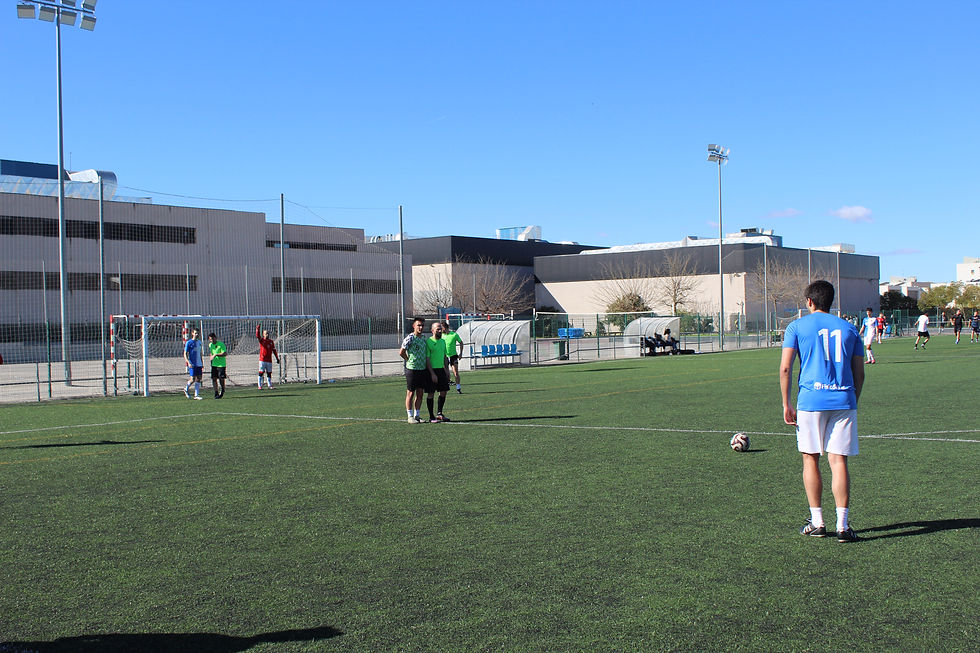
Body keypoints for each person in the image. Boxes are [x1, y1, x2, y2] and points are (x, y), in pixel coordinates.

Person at [780, 280, 864, 543]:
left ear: (809, 302)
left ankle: (818, 522)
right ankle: (842, 525)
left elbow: (785, 368)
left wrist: (786, 404)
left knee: (810, 459)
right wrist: (852, 400)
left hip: (811, 401)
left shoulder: (796, 326)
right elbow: (859, 373)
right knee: (838, 461)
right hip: (843, 400)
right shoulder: (850, 329)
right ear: (831, 301)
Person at [399, 317, 428, 424]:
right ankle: (409, 416)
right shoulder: (410, 338)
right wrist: (408, 360)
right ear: (414, 326)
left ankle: (417, 415)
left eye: (422, 325)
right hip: (412, 369)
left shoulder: (424, 338)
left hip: (422, 369)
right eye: (419, 325)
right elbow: (401, 352)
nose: (421, 327)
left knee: (420, 393)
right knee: (410, 393)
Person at [424, 321, 452, 422]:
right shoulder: (428, 342)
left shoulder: (443, 341)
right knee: (431, 393)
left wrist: (447, 371)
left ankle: (439, 413)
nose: (440, 330)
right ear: (432, 331)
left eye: (441, 329)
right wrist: (432, 374)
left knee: (443, 392)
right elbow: (427, 359)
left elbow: (445, 357)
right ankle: (431, 416)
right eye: (438, 329)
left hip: (441, 370)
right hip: (431, 370)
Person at [441, 321, 464, 393]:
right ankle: (446, 387)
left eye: (441, 328)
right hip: (444, 356)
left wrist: (460, 353)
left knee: (456, 373)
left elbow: (461, 342)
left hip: (453, 356)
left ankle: (458, 388)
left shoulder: (454, 335)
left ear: (445, 327)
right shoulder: (441, 335)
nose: (440, 330)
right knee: (445, 373)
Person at [256, 325, 280, 389]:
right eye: (266, 333)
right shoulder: (262, 340)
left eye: (268, 333)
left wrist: (277, 358)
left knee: (269, 373)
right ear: (263, 334)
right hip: (262, 359)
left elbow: (274, 351)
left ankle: (269, 385)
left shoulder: (271, 342)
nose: (267, 334)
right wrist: (257, 329)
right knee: (261, 372)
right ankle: (259, 385)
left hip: (269, 360)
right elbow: (257, 336)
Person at [183, 328, 204, 400]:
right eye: (195, 333)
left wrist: (202, 362)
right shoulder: (189, 342)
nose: (197, 334)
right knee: (192, 379)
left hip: (199, 364)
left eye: (197, 333)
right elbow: (185, 353)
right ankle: (186, 388)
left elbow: (200, 353)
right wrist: (188, 362)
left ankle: (196, 395)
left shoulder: (199, 342)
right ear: (192, 333)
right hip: (192, 363)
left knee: (199, 378)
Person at [207, 332, 228, 398]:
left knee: (221, 379)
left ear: (215, 338)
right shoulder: (210, 345)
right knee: (214, 378)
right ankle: (216, 392)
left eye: (213, 338)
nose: (212, 340)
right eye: (210, 339)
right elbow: (211, 353)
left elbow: (224, 353)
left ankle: (222, 390)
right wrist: (211, 357)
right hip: (214, 365)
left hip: (221, 365)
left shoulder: (221, 344)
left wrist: (216, 355)